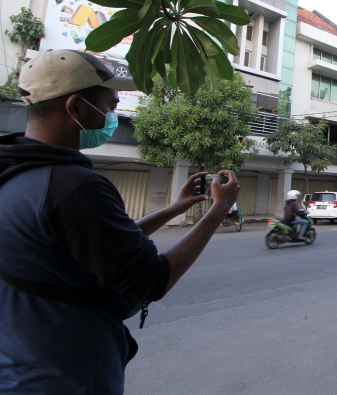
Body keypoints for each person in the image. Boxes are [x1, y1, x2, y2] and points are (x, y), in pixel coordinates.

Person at [0, 49, 240, 393]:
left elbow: (100, 245)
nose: (113, 114)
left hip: (19, 361)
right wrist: (218, 210)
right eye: (110, 105)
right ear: (76, 108)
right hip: (65, 375)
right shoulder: (72, 187)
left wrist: (175, 208)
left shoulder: (16, 171)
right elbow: (152, 280)